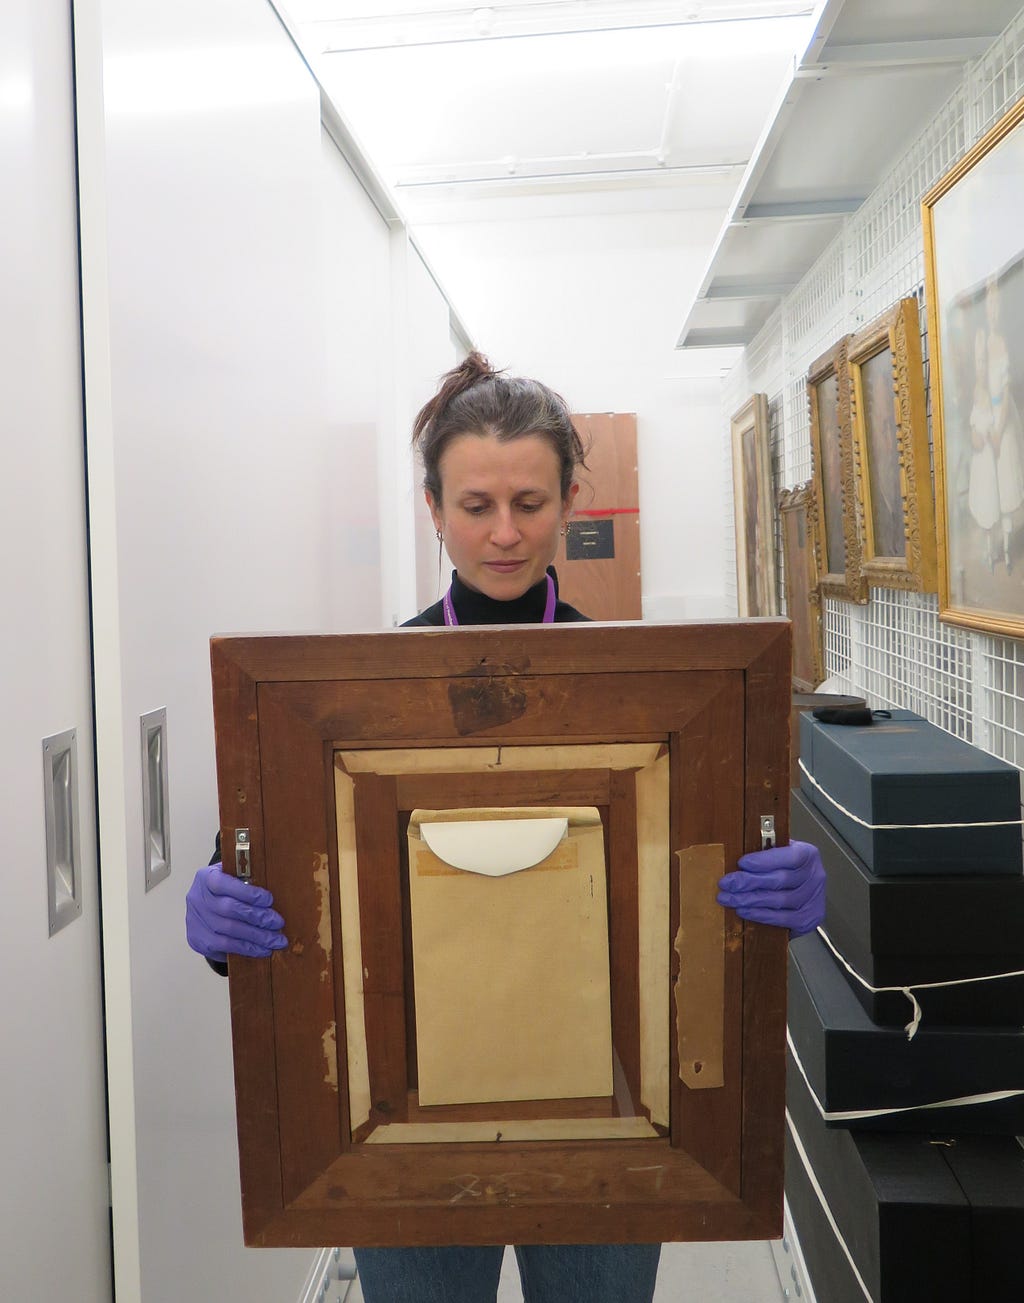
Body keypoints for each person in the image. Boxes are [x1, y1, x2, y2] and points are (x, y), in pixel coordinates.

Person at [186, 352, 826, 1303]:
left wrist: (783, 887)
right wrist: (220, 911)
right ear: (433, 508)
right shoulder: (349, 698)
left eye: (529, 501)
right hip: (404, 1111)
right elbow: (295, 869)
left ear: (571, 499)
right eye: (476, 504)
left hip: (606, 1099)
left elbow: (695, 891)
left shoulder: (656, 697)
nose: (504, 532)